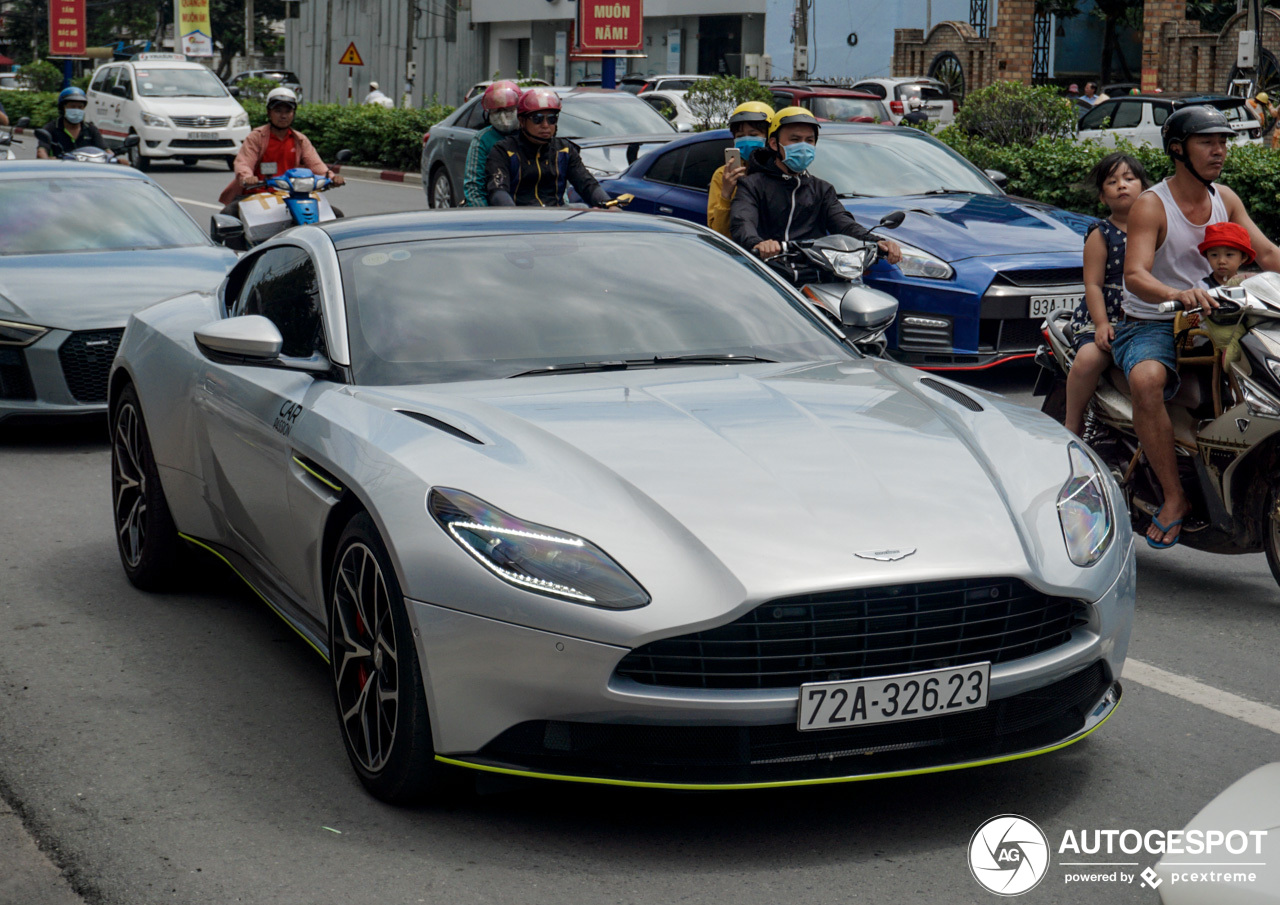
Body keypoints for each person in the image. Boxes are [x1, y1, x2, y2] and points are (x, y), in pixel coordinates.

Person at [1122, 105, 1280, 548]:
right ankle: (1174, 499)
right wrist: (1178, 292)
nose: (1220, 150)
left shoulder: (1224, 199)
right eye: (1207, 142)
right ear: (1177, 150)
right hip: (1155, 320)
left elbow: (1265, 254)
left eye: (1224, 142)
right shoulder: (1151, 205)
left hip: (1219, 316)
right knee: (1147, 380)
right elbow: (1135, 274)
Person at [729, 106, 903, 265]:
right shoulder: (751, 185)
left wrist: (876, 241)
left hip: (816, 272)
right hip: (770, 274)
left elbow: (843, 224)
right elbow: (742, 221)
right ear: (774, 144)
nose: (803, 146)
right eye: (795, 139)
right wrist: (757, 243)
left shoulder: (822, 189)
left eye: (809, 140)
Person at [1064, 152, 1151, 437]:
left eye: (1129, 178)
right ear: (1103, 197)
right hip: (1103, 317)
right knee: (1089, 359)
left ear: (1144, 187)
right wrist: (1102, 324)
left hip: (1144, 318)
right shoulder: (1101, 233)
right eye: (1113, 182)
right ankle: (1072, 421)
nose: (1122, 185)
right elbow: (1092, 284)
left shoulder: (1155, 229)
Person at [218, 87, 344, 210]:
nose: (283, 116)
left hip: (293, 195)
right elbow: (244, 163)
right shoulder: (256, 137)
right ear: (269, 112)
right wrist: (247, 178)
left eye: (288, 111)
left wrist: (332, 178)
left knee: (336, 215)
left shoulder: (300, 140)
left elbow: (316, 164)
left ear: (293, 113)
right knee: (228, 215)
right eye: (278, 111)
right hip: (257, 195)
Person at [485, 87, 612, 208]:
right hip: (519, 220)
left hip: (556, 219)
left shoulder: (565, 150)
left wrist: (609, 204)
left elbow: (587, 183)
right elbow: (498, 191)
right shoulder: (503, 150)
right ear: (522, 121)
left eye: (551, 119)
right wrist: (513, 215)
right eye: (537, 119)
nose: (545, 125)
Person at [706, 101, 772, 237]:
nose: (747, 140)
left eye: (754, 135)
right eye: (740, 136)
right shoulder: (723, 175)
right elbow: (718, 232)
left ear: (770, 137)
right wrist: (726, 193)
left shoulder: (781, 171)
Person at [462, 80, 522, 207]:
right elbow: (474, 186)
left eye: (509, 109)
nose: (503, 116)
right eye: (497, 111)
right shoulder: (483, 140)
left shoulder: (530, 134)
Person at [37, 87, 124, 162]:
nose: (76, 110)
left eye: (80, 107)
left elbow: (106, 151)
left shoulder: (90, 130)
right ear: (63, 108)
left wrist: (115, 160)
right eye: (72, 106)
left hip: (86, 173)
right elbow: (41, 151)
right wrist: (48, 161)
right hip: (60, 173)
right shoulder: (51, 129)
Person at [1198, 221, 1254, 288]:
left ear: (1243, 257)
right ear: (1207, 257)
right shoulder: (1202, 287)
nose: (1221, 261)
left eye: (1229, 255)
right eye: (1214, 255)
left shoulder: (1248, 286)